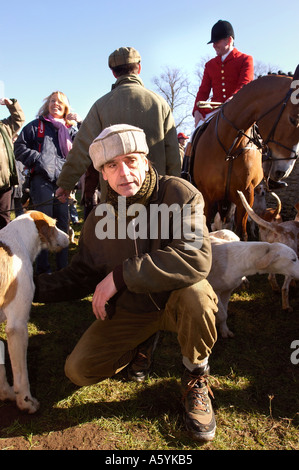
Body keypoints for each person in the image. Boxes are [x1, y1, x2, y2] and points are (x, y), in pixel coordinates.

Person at [34, 124, 219, 442]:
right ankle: (141, 344)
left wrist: (121, 276)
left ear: (146, 161)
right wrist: (27, 287)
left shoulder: (179, 193)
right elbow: (81, 274)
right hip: (133, 310)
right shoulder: (98, 217)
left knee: (198, 296)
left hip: (177, 302)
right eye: (111, 165)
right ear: (103, 174)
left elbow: (195, 257)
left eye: (131, 160)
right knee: (78, 370)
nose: (124, 172)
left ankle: (195, 375)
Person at [54, 46, 181, 204]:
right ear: (139, 68)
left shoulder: (100, 106)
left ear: (114, 73)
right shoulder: (159, 103)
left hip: (115, 200)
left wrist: (65, 184)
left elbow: (82, 148)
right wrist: (176, 191)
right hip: (156, 197)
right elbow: (173, 154)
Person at [14, 91, 81, 274]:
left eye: (60, 102)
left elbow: (86, 145)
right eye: (52, 101)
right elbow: (19, 147)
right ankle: (43, 270)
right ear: (47, 104)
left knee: (62, 225)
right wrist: (38, 159)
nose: (55, 104)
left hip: (64, 184)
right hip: (41, 182)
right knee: (44, 227)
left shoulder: (70, 129)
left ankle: (63, 268)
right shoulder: (36, 126)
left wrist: (80, 123)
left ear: (66, 107)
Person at [193, 20, 254, 128]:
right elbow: (203, 91)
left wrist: (232, 99)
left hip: (239, 110)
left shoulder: (245, 59)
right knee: (193, 137)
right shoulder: (210, 65)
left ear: (229, 40)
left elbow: (245, 85)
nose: (214, 46)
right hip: (214, 112)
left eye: (217, 42)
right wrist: (197, 110)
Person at [0, 98, 25, 228]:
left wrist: (12, 105)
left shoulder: (4, 127)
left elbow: (19, 119)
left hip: (4, 184)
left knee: (4, 219)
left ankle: (3, 247)